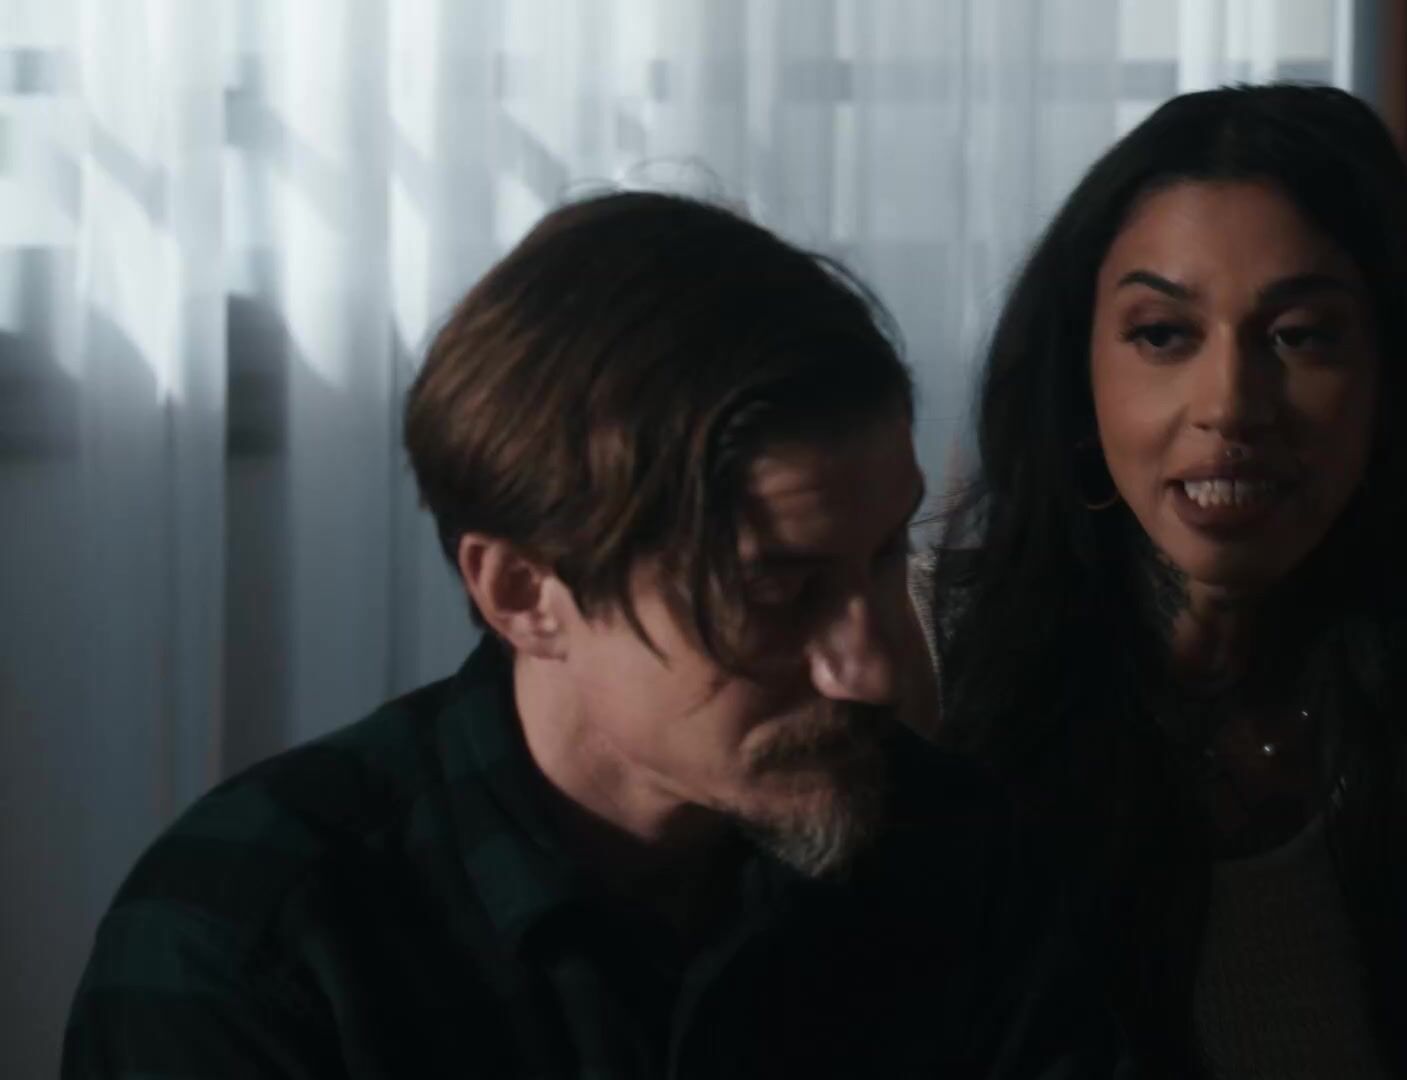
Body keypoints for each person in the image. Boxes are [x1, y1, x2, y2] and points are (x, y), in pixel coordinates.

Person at [64, 192, 1118, 1078]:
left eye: (887, 555)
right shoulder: (253, 940)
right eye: (777, 590)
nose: (876, 667)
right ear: (523, 593)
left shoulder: (959, 859)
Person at [923, 83, 1407, 1077]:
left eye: (1300, 335)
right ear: (1079, 381)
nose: (1230, 404)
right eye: (1163, 335)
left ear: (1394, 382)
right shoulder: (928, 662)